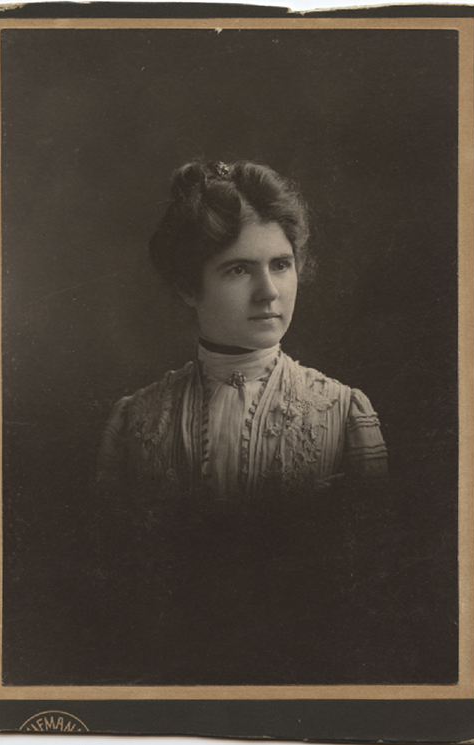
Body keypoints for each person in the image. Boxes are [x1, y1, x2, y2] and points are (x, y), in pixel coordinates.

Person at [98, 159, 387, 506]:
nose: (269, 292)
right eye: (239, 270)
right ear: (188, 287)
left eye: (281, 265)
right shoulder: (134, 420)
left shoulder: (343, 413)